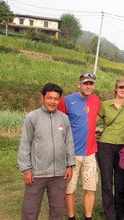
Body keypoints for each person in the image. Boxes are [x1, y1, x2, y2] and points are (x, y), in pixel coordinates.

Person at [17, 83, 76, 220]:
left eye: (56, 98)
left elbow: (69, 142)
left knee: (58, 210)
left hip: (59, 174)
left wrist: (70, 165)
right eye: (49, 98)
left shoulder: (64, 118)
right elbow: (25, 144)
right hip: (37, 174)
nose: (52, 101)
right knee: (30, 210)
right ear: (42, 98)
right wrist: (26, 169)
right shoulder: (32, 117)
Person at [58, 72, 101, 220]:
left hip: (90, 153)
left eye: (91, 83)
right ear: (79, 84)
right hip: (72, 153)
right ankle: (71, 217)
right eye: (85, 83)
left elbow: (95, 120)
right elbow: (59, 125)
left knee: (90, 188)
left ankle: (87, 217)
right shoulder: (67, 101)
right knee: (70, 189)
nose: (88, 86)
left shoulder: (96, 100)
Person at [97, 77, 124, 220]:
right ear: (115, 88)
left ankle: (120, 212)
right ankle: (110, 214)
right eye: (121, 87)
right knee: (107, 181)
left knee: (121, 182)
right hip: (105, 145)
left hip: (123, 146)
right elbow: (93, 121)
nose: (123, 90)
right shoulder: (105, 105)